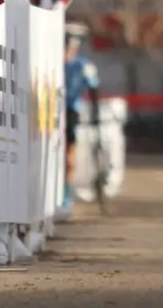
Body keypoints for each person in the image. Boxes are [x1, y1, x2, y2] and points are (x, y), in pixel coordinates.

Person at [62, 23, 100, 212]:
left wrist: (96, 114)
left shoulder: (83, 65)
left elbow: (93, 88)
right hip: (51, 110)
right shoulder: (52, 62)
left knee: (69, 154)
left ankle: (65, 194)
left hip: (70, 111)